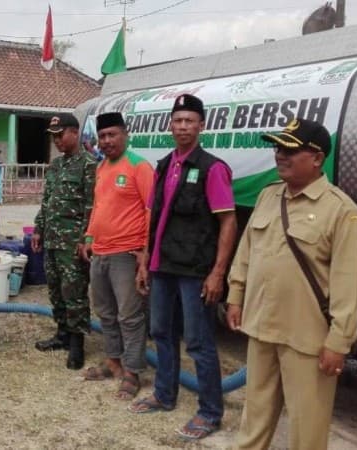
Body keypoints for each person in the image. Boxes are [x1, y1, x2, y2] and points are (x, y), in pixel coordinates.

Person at [227, 118, 357, 450]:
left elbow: (349, 282)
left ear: (317, 158)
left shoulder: (342, 211)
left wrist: (339, 340)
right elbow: (247, 251)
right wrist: (236, 294)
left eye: (290, 149)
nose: (280, 156)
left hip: (307, 338)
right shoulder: (268, 197)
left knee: (307, 430)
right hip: (261, 326)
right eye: (278, 148)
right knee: (254, 419)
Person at [129, 94, 238, 441]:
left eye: (190, 121)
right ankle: (164, 394)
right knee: (160, 332)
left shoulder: (212, 168)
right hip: (162, 267)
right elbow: (155, 218)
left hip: (194, 271)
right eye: (178, 121)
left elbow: (228, 223)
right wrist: (146, 260)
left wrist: (218, 272)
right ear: (170, 125)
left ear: (202, 126)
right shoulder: (164, 165)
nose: (183, 127)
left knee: (199, 342)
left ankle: (209, 411)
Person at [81, 112, 154, 400]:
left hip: (126, 253)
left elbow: (152, 212)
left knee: (130, 316)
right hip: (100, 252)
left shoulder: (140, 166)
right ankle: (113, 361)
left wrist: (145, 255)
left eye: (112, 134)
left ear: (125, 134)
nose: (107, 141)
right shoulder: (101, 167)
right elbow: (99, 206)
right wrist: (88, 237)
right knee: (106, 313)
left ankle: (133, 371)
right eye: (103, 136)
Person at [32, 114, 97, 370]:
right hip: (51, 241)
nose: (57, 140)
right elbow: (46, 202)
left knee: (75, 293)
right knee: (56, 291)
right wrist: (38, 229)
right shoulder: (56, 166)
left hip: (72, 243)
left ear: (75, 132)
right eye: (53, 136)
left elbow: (91, 207)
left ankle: (77, 345)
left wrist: (84, 240)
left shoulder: (88, 164)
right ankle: (62, 335)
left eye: (60, 135)